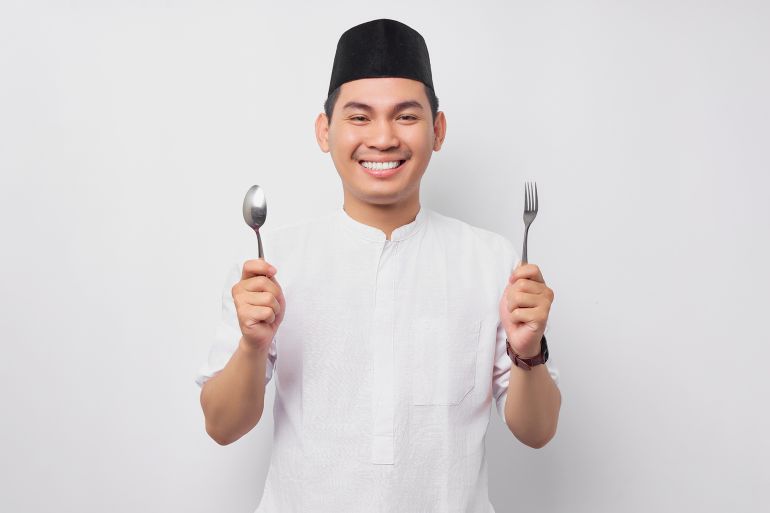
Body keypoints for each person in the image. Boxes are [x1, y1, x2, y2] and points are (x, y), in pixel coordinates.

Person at [196, 18, 561, 512]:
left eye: (406, 116)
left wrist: (528, 350)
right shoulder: (271, 266)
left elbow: (538, 431)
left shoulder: (492, 261)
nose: (384, 138)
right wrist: (252, 344)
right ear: (325, 131)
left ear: (437, 130)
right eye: (360, 117)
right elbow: (222, 426)